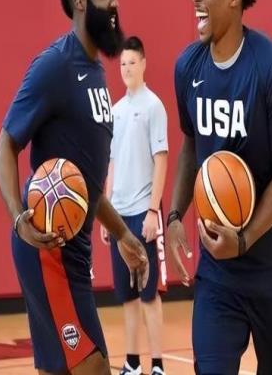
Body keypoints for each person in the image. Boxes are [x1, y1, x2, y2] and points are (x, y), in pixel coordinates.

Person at [0, 0, 149, 375]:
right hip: (48, 249)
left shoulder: (96, 71)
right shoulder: (55, 67)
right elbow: (5, 144)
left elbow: (86, 184)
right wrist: (17, 217)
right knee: (93, 368)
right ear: (80, 0)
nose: (115, 1)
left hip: (77, 254)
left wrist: (123, 233)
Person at [166, 0, 272, 374]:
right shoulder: (187, 68)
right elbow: (191, 144)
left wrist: (245, 239)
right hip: (218, 275)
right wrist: (175, 215)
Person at [105, 36, 168, 375]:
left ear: (144, 64)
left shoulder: (154, 106)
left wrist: (153, 212)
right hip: (118, 215)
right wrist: (106, 214)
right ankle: (132, 363)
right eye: (123, 64)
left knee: (148, 294)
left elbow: (162, 160)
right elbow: (112, 164)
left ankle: (157, 365)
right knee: (127, 297)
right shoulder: (115, 111)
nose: (127, 68)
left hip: (143, 212)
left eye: (132, 62)